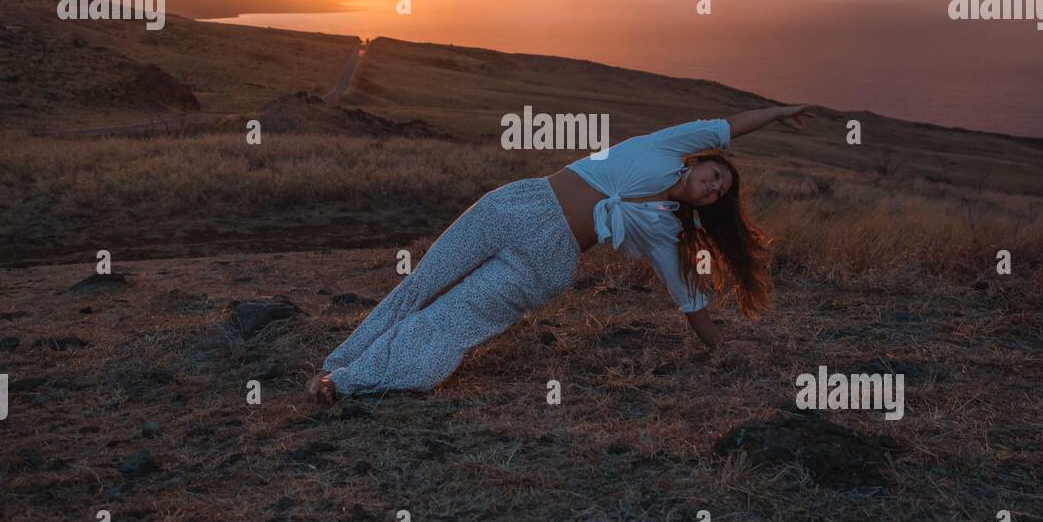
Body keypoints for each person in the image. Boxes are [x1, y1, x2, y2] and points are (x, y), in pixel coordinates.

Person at [307, 105, 815, 403]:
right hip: (516, 204)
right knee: (423, 284)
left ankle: (348, 383)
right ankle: (346, 356)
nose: (713, 187)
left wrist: (719, 348)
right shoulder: (665, 146)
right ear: (703, 157)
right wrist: (780, 112)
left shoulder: (665, 230)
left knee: (452, 320)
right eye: (717, 175)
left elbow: (690, 301)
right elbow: (727, 125)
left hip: (545, 260)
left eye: (719, 193)